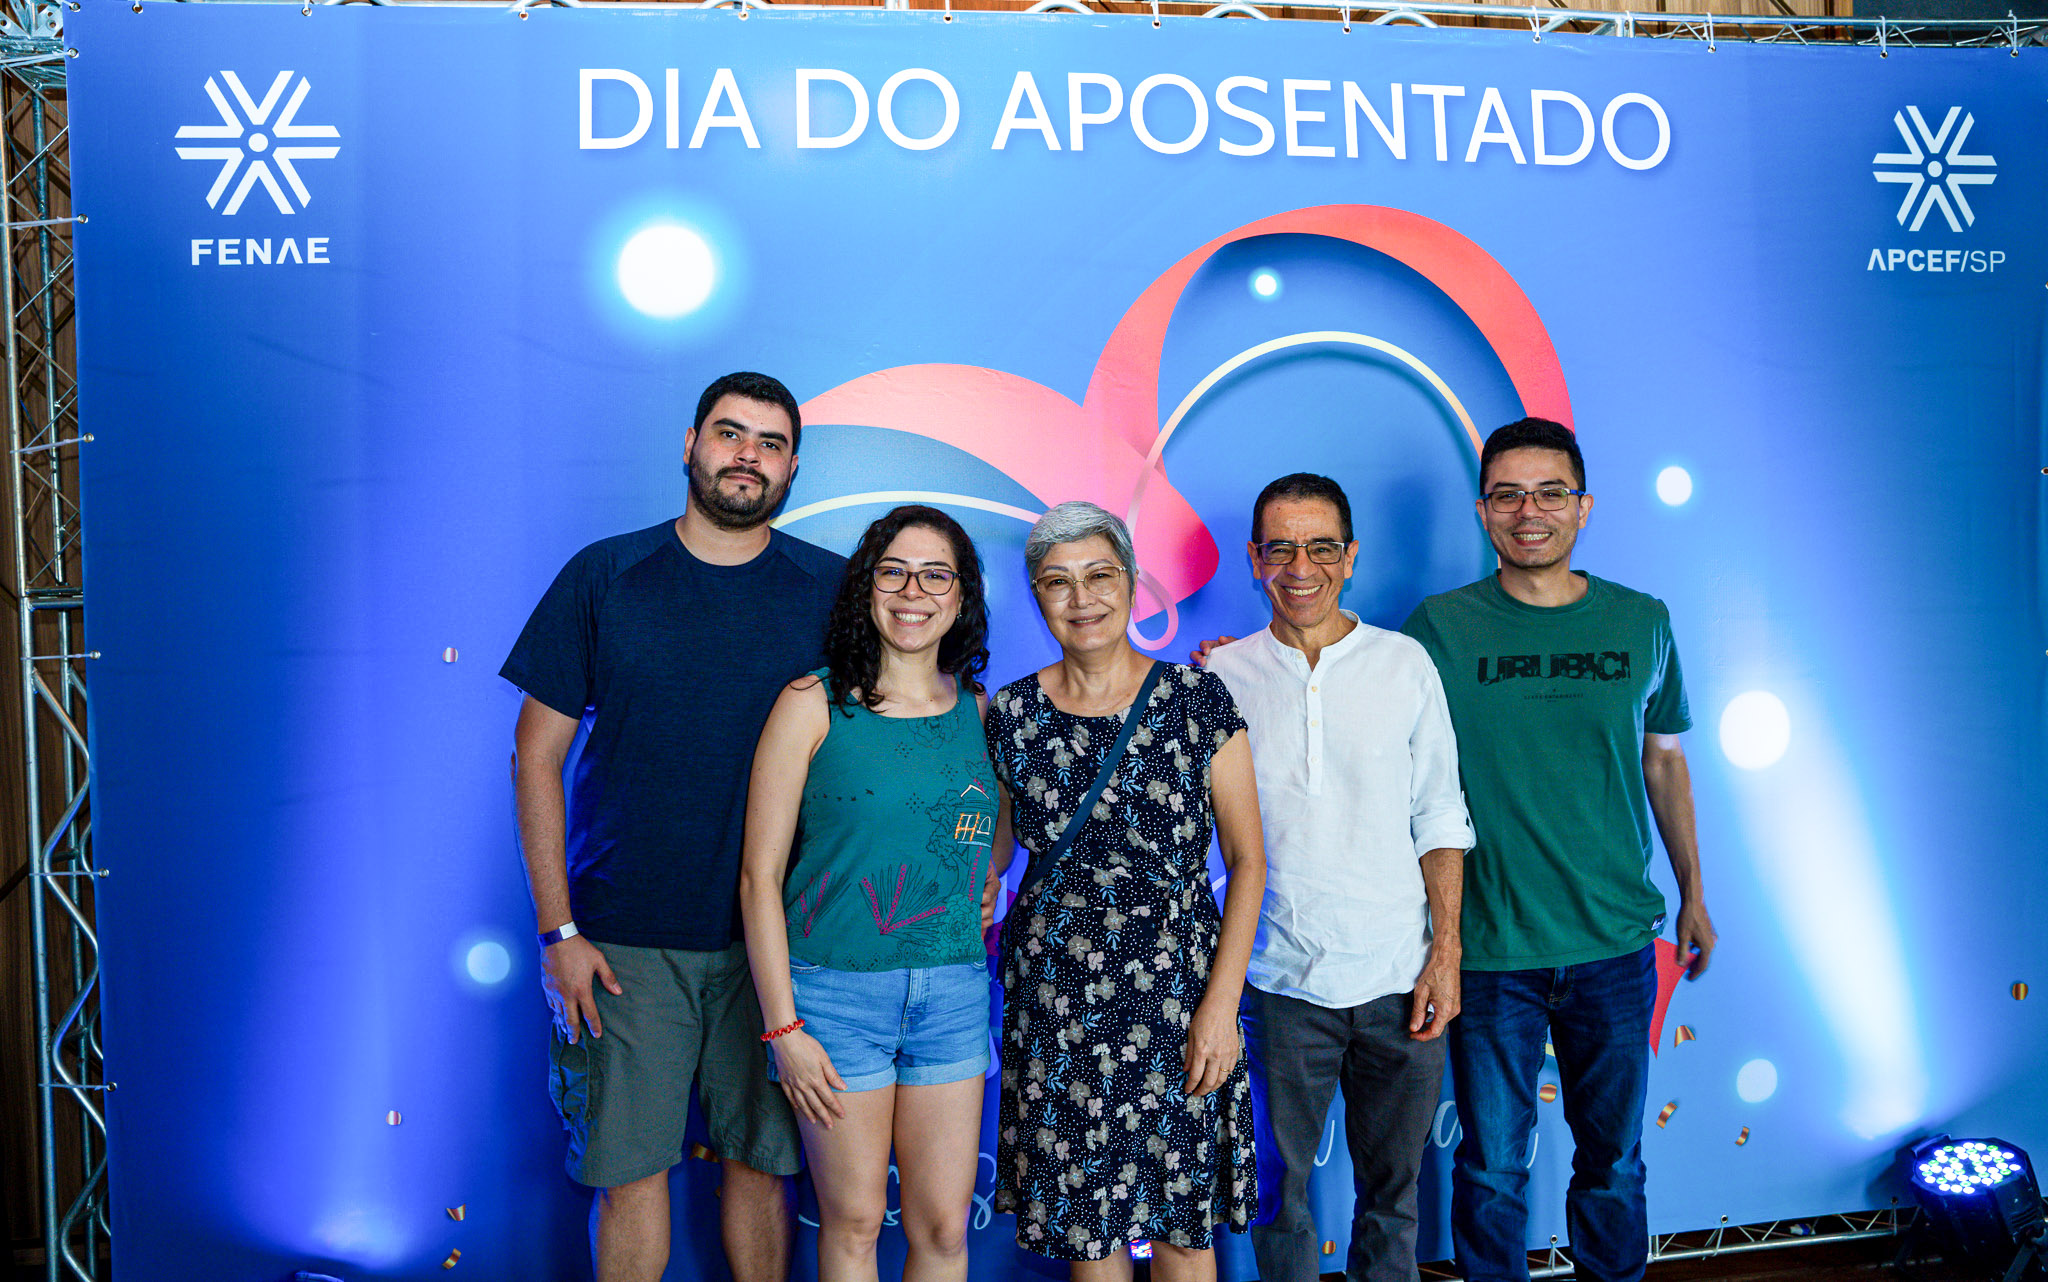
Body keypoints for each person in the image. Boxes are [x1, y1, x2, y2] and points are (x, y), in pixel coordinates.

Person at [502, 371, 842, 1282]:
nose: (747, 456)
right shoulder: (606, 575)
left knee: (763, 1170)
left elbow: (915, 717)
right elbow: (534, 757)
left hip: (778, 944)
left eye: (770, 444)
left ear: (793, 468)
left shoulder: (831, 590)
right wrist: (558, 932)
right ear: (690, 445)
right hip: (623, 941)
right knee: (629, 1176)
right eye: (730, 434)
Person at [1399, 418, 1717, 1282]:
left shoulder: (1642, 621)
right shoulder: (1440, 627)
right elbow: (1369, 722)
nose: (1528, 512)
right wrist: (1242, 670)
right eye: (1507, 495)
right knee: (1491, 1170)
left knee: (1613, 1164)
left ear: (1583, 507)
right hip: (1489, 950)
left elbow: (1664, 760)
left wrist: (1693, 892)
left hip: (1614, 943)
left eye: (1549, 493)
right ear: (1482, 511)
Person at [985, 499, 1265, 1280]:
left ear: (1133, 582)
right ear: (1037, 596)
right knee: (1089, 1230)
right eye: (1058, 581)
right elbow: (993, 857)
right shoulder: (1012, 713)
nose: (1082, 599)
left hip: (1179, 997)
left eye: (1100, 575)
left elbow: (1248, 861)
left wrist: (1221, 1007)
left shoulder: (1197, 699)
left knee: (1184, 1229)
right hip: (1057, 1002)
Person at [1205, 473, 1474, 1282]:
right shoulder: (1220, 678)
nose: (1302, 567)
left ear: (1350, 557)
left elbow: (1440, 814)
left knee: (1393, 1195)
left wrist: (1445, 954)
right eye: (1281, 548)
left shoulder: (1404, 664)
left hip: (1400, 976)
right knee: (1277, 1196)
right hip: (1278, 982)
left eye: (1322, 547)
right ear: (1255, 559)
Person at [739, 505, 1006, 1282]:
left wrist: (987, 878)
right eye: (894, 572)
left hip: (953, 996)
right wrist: (783, 1027)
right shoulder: (810, 703)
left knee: (944, 1230)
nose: (913, 591)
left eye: (935, 575)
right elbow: (759, 878)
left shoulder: (980, 713)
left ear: (962, 596)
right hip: (833, 1001)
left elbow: (995, 831)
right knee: (853, 1223)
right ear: (866, 588)